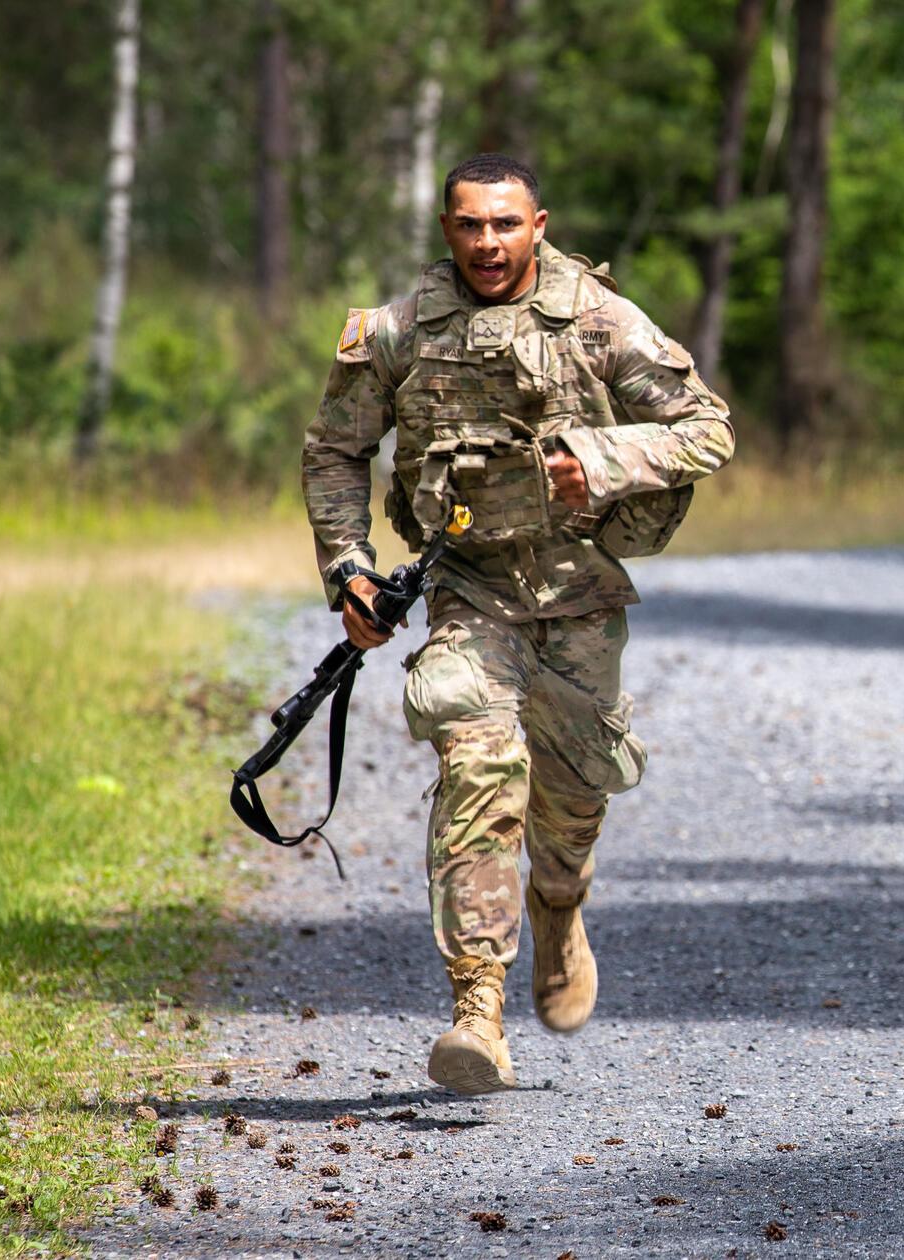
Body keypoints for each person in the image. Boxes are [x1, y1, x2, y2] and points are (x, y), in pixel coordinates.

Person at [301, 153, 735, 1094]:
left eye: (506, 224)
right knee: (478, 762)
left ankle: (559, 903)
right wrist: (350, 570)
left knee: (575, 803)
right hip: (468, 590)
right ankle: (477, 1011)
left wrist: (606, 460)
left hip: (579, 593)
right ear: (445, 229)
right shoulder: (400, 332)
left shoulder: (597, 317)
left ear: (539, 224)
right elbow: (335, 452)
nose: (487, 243)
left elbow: (708, 428)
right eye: (469, 225)